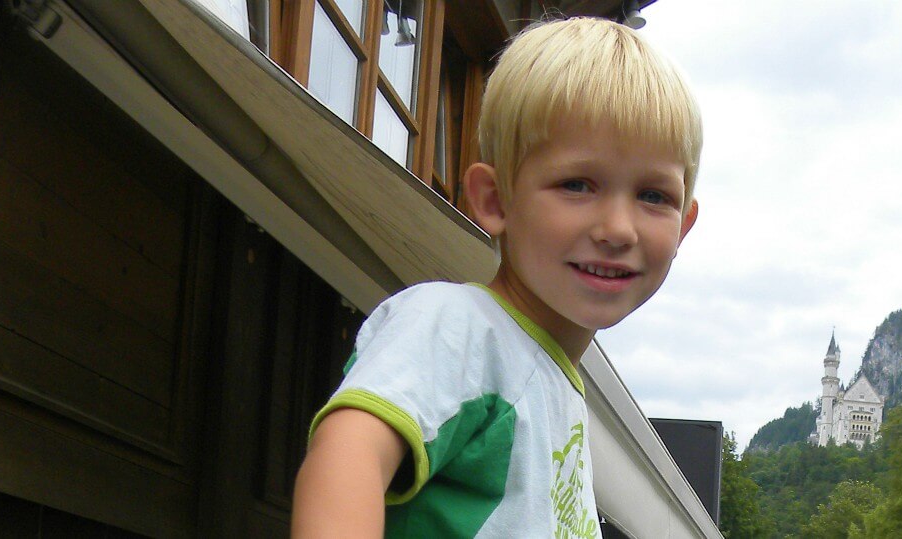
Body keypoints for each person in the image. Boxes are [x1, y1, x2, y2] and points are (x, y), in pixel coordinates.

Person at [291, 16, 701, 538]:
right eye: (577, 184)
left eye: (653, 196)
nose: (618, 229)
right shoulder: (457, 325)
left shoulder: (556, 386)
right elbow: (349, 451)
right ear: (494, 199)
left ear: (684, 224)